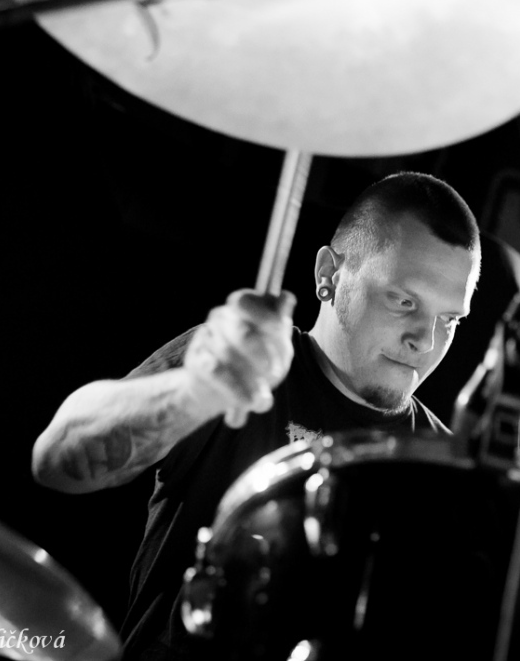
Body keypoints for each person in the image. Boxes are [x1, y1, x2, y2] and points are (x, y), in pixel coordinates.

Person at [30, 171, 482, 660]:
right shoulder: (236, 364)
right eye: (404, 301)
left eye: (449, 319)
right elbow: (58, 462)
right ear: (329, 275)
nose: (426, 341)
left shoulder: (444, 468)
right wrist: (199, 390)